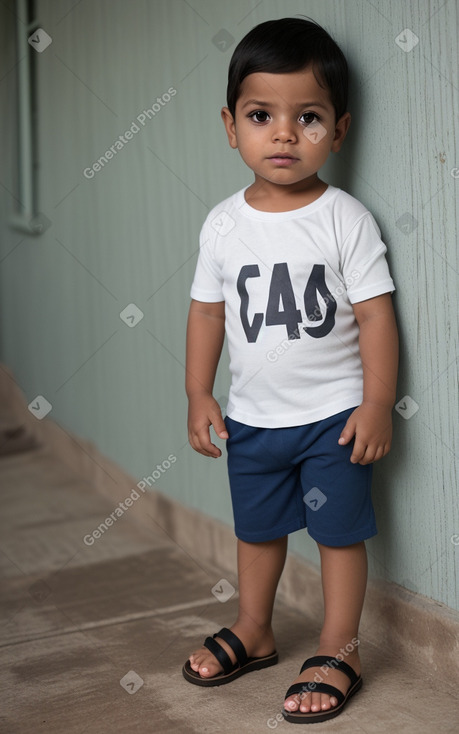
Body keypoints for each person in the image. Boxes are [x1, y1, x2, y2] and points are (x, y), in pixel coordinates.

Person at [182, 16, 399, 725]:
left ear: (338, 130)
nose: (282, 134)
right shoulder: (221, 225)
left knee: (338, 532)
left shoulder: (344, 219)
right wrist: (197, 392)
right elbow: (208, 315)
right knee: (257, 530)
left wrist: (375, 403)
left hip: (332, 417)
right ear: (229, 125)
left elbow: (373, 317)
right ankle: (256, 627)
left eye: (306, 117)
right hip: (251, 417)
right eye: (260, 116)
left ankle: (340, 645)